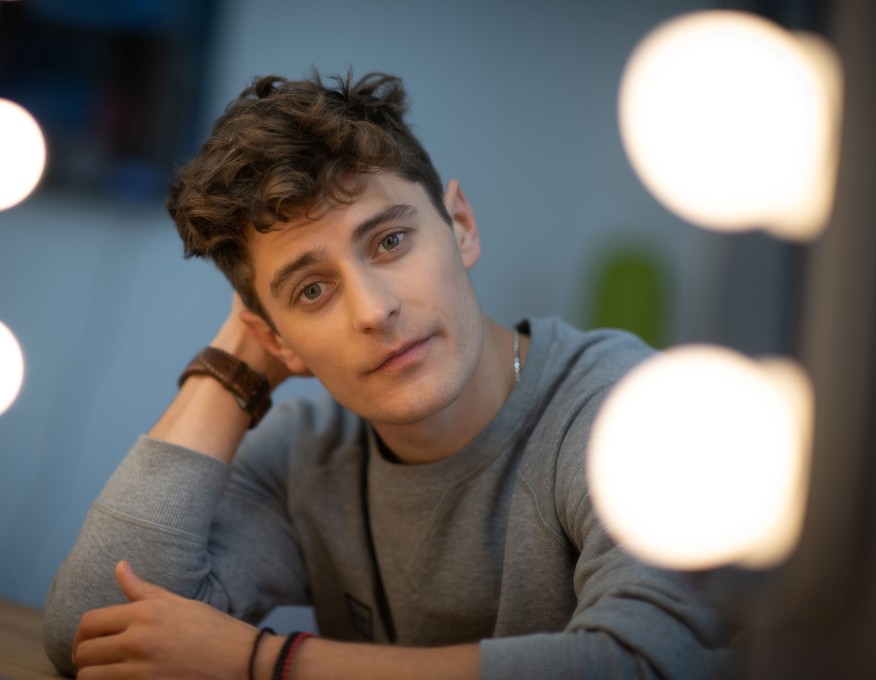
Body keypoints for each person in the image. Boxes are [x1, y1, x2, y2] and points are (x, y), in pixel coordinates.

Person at [42, 72, 730, 679]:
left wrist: (267, 663)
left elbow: (652, 664)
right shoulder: (307, 456)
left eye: (390, 241)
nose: (374, 310)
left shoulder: (628, 413)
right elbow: (91, 629)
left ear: (460, 225)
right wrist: (232, 367)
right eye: (312, 291)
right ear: (277, 340)